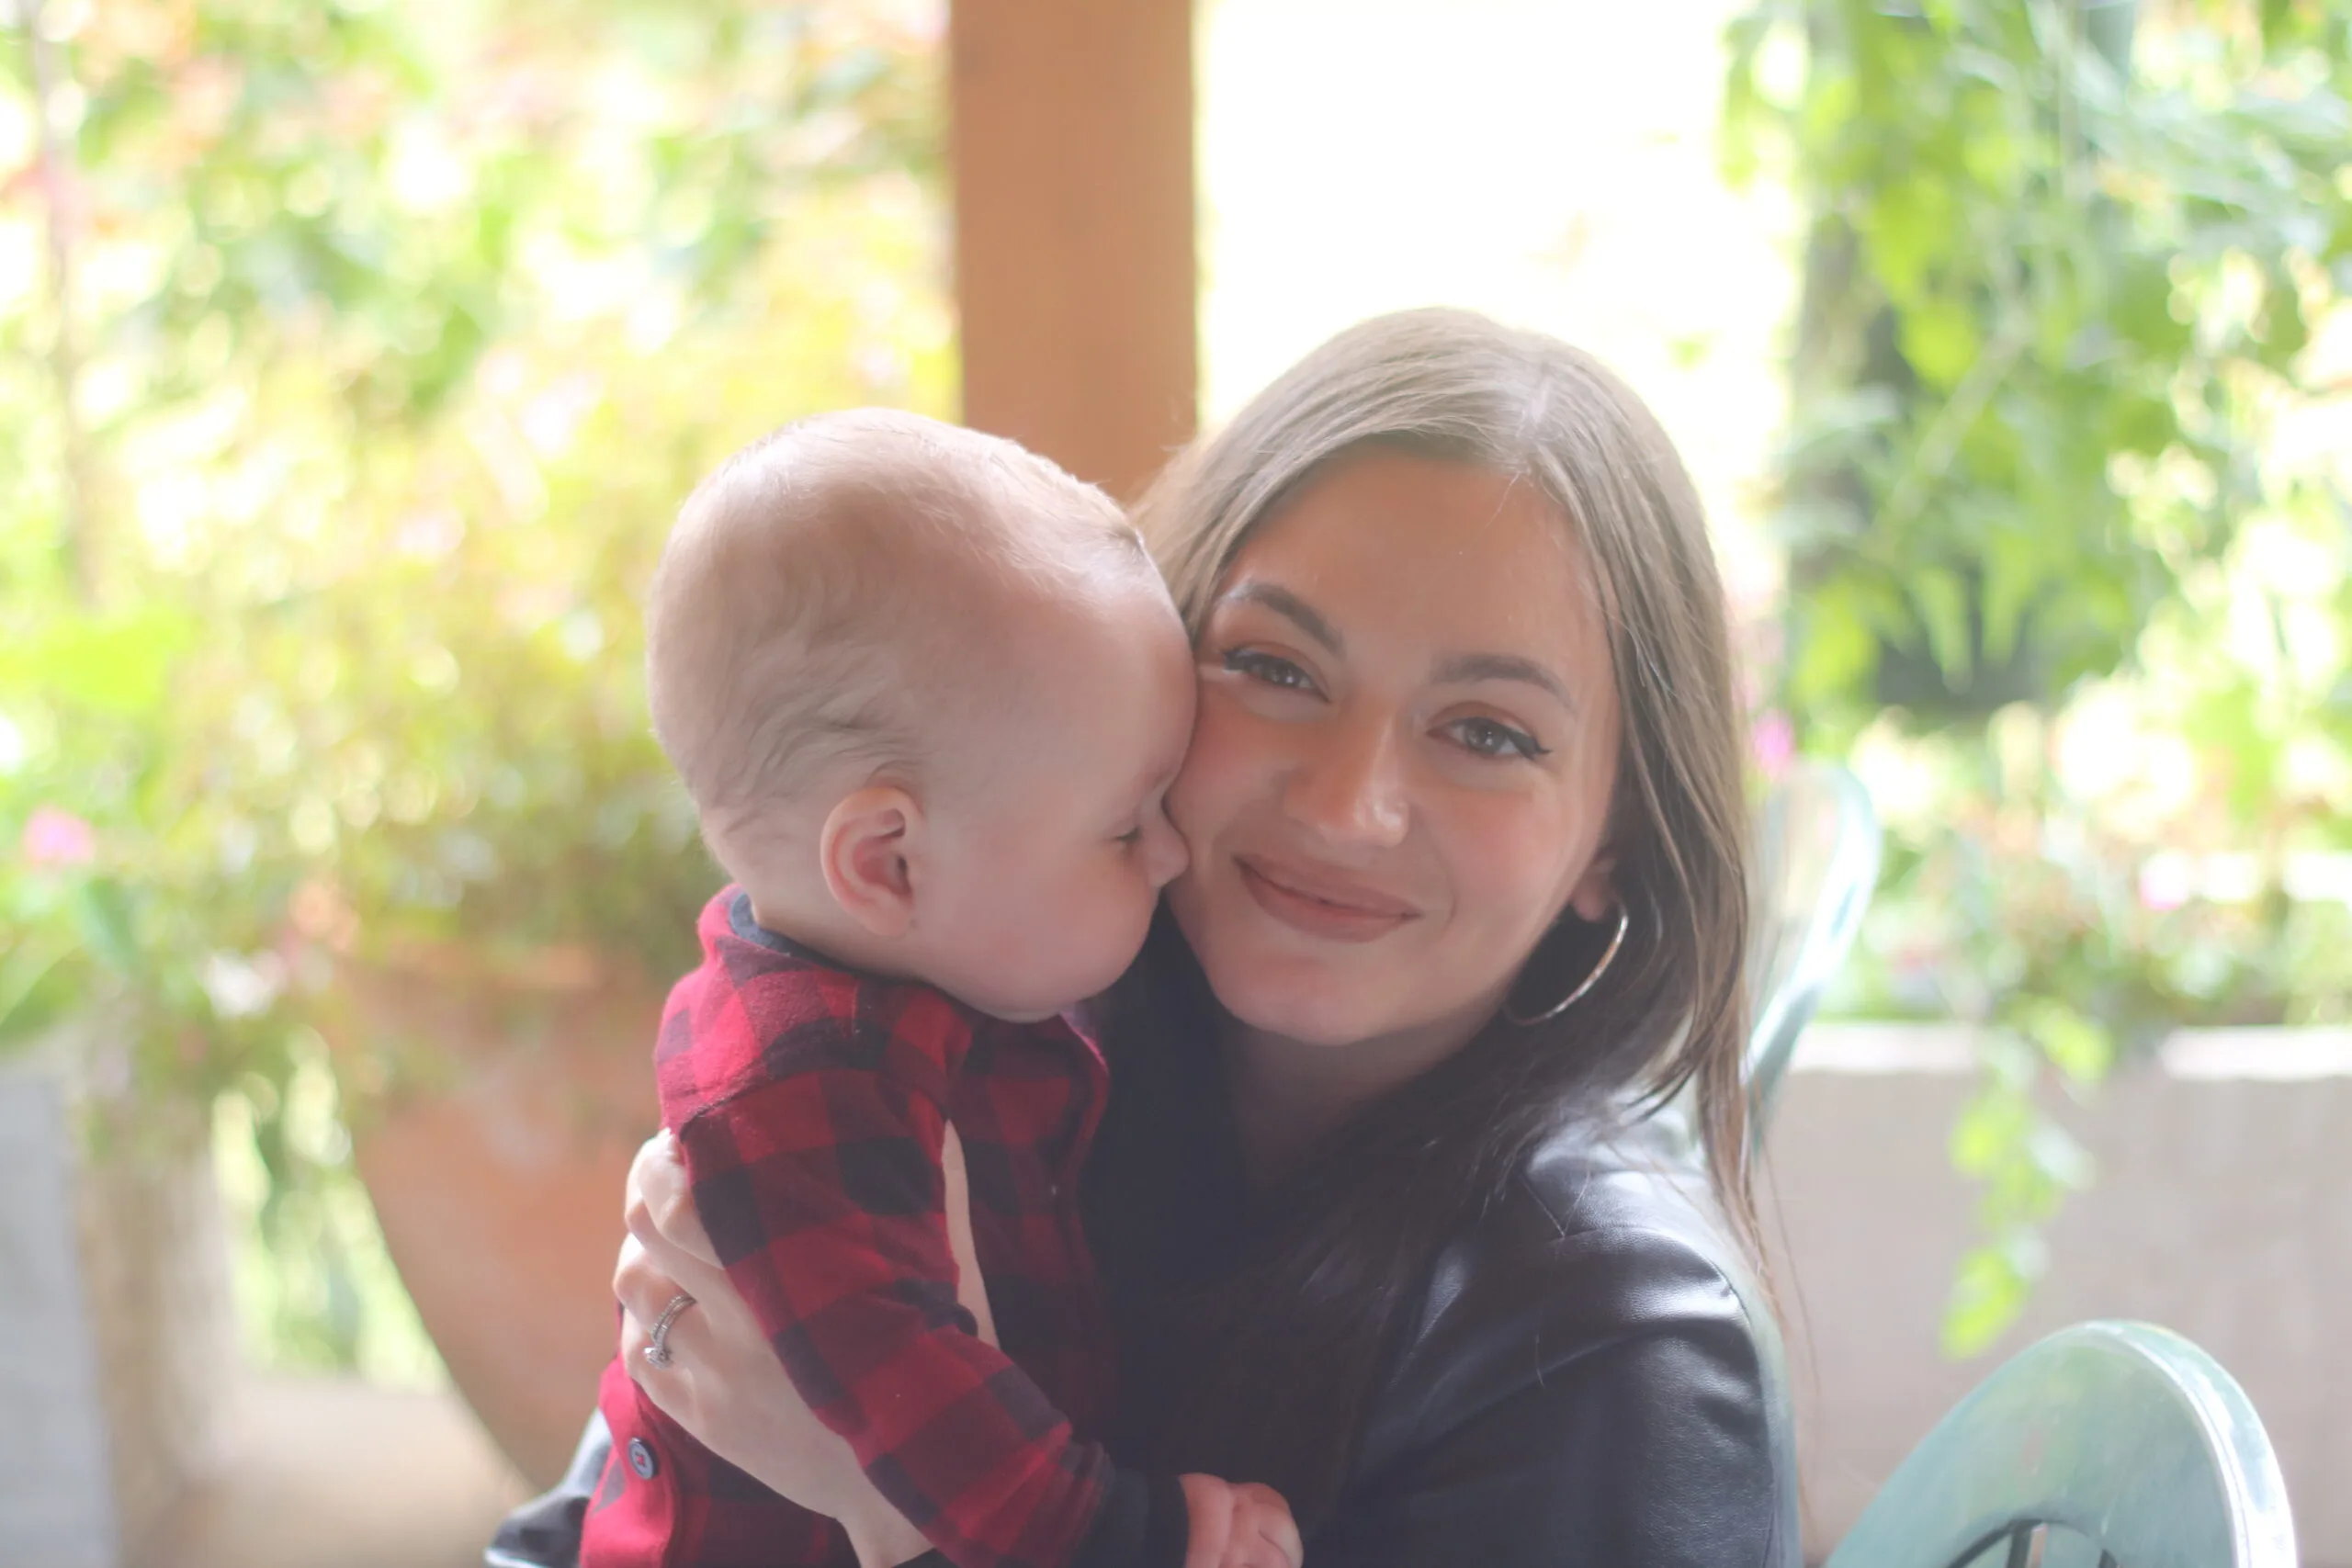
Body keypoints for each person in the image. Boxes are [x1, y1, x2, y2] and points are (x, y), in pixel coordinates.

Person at [491, 309, 1801, 1568]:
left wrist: (890, 1508)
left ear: (1617, 837)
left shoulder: (1618, 1355)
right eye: (1277, 668)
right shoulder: (975, 1038)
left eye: (1490, 732)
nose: (1349, 805)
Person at [582, 410, 1302, 1568]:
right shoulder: (796, 1090)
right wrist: (1130, 1537)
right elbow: (916, 1396)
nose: (1172, 854)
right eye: (1126, 825)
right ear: (887, 861)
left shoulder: (949, 965)